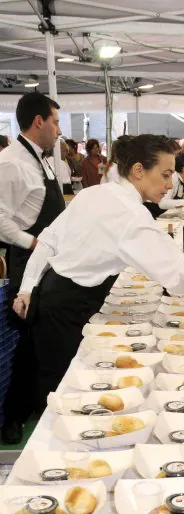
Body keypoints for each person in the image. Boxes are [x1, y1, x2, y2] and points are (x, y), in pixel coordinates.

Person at [13, 134, 184, 411]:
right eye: (165, 175)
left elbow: (47, 240)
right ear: (139, 170)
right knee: (63, 390)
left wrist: (28, 287)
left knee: (59, 378)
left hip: (56, 291)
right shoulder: (129, 214)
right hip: (69, 304)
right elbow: (178, 268)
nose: (169, 184)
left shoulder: (95, 193)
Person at [0, 93, 63, 444]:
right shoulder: (11, 163)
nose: (58, 129)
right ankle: (13, 416)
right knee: (26, 340)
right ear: (38, 121)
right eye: (54, 121)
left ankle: (40, 405)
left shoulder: (42, 159)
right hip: (29, 261)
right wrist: (33, 243)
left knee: (41, 338)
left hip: (50, 259)